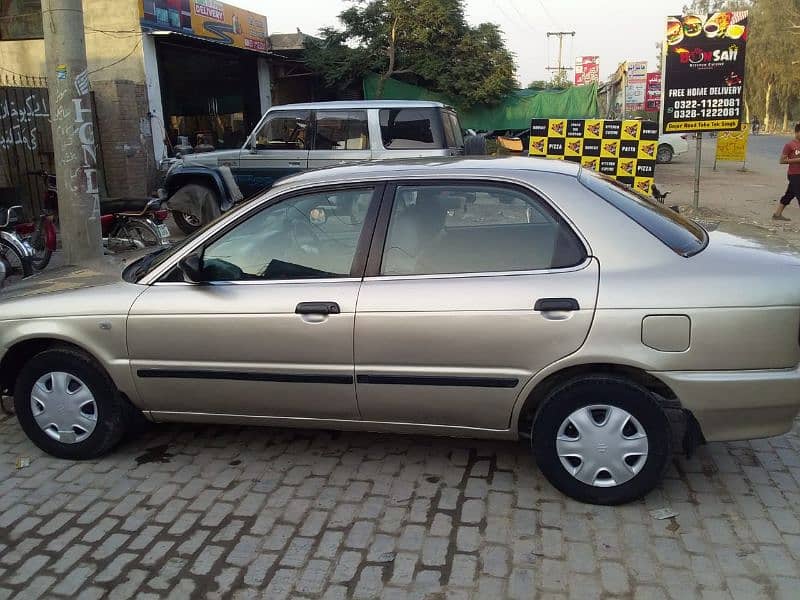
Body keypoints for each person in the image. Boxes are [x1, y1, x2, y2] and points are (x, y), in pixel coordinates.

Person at [773, 122, 800, 221]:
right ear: (797, 132)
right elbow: (782, 161)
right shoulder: (790, 145)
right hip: (794, 174)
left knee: (789, 195)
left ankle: (777, 214)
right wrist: (797, 160)